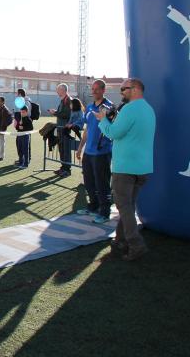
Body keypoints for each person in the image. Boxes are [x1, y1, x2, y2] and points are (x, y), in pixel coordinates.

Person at [94, 78, 156, 261]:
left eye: (123, 89)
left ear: (135, 89)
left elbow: (113, 133)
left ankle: (136, 244)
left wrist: (103, 120)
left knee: (124, 207)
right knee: (127, 206)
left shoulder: (129, 109)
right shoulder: (149, 109)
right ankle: (120, 239)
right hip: (143, 167)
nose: (121, 93)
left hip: (125, 167)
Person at [76, 80, 113, 224]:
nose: (94, 92)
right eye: (93, 89)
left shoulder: (109, 107)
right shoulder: (90, 107)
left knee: (102, 182)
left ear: (104, 90)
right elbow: (87, 129)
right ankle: (93, 206)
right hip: (89, 152)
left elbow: (112, 129)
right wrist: (80, 148)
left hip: (102, 152)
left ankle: (105, 212)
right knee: (89, 181)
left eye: (97, 89)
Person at [48, 84, 72, 177]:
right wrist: (56, 113)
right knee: (61, 149)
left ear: (63, 90)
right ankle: (63, 167)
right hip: (60, 128)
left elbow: (66, 114)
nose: (57, 92)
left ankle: (67, 169)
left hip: (65, 129)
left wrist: (55, 113)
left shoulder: (68, 100)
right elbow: (62, 113)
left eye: (58, 90)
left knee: (65, 149)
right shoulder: (63, 100)